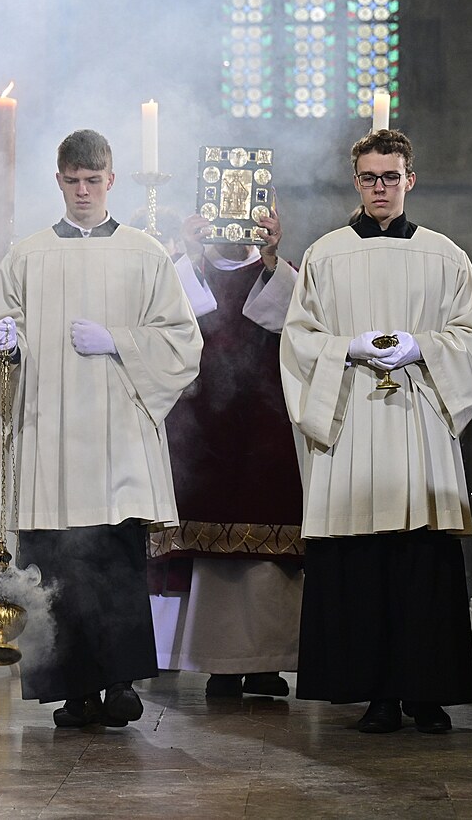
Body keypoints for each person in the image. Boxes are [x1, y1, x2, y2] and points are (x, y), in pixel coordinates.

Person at [0, 129, 203, 729]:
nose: (83, 191)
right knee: (54, 565)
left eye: (93, 180)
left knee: (115, 558)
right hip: (47, 435)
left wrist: (119, 341)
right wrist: (5, 342)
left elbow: (183, 341)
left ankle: (120, 684)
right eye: (73, 180)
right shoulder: (28, 256)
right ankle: (73, 693)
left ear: (111, 180)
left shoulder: (145, 253)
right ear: (58, 180)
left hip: (115, 437)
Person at [279, 129, 472, 735]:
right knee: (364, 558)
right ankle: (376, 693)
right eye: (370, 177)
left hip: (418, 422)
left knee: (420, 557)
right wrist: (347, 347)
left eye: (391, 177)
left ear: (410, 180)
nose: (381, 188)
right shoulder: (325, 255)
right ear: (357, 181)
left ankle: (427, 693)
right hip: (351, 420)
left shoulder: (445, 255)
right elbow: (297, 339)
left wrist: (419, 346)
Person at [160, 210, 302, 698]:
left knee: (268, 540)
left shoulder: (279, 272)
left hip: (266, 424)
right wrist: (190, 255)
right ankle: (219, 663)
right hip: (202, 427)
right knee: (212, 548)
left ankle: (266, 662)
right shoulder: (187, 272)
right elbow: (168, 326)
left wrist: (272, 259)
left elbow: (298, 326)